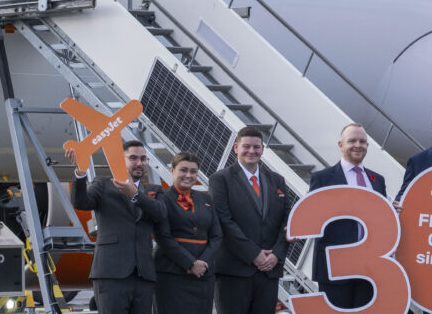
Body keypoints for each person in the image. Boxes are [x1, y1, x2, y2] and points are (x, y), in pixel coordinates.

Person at [67, 140, 164, 314]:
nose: (139, 163)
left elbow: (160, 214)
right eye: (133, 158)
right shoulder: (103, 185)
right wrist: (80, 172)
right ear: (121, 160)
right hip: (111, 274)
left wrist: (135, 194)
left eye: (143, 159)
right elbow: (80, 202)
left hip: (143, 276)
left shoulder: (154, 191)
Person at [209, 127, 292, 314]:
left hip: (269, 272)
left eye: (256, 147)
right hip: (234, 271)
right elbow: (224, 221)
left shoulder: (277, 180)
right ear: (236, 148)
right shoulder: (220, 179)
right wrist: (254, 254)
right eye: (246, 146)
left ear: (263, 149)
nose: (251, 151)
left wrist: (276, 255)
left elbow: (288, 221)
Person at [307, 123, 388, 309]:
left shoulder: (377, 180)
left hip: (368, 269)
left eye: (362, 141)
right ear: (340, 144)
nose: (357, 145)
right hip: (335, 269)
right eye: (352, 141)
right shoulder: (323, 178)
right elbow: (312, 218)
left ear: (367, 146)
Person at [153, 151, 222, 314]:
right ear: (172, 170)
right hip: (172, 272)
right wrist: (190, 263)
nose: (188, 175)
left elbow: (217, 235)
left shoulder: (206, 199)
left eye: (193, 171)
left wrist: (202, 263)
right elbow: (163, 236)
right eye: (183, 170)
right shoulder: (161, 198)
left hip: (203, 274)